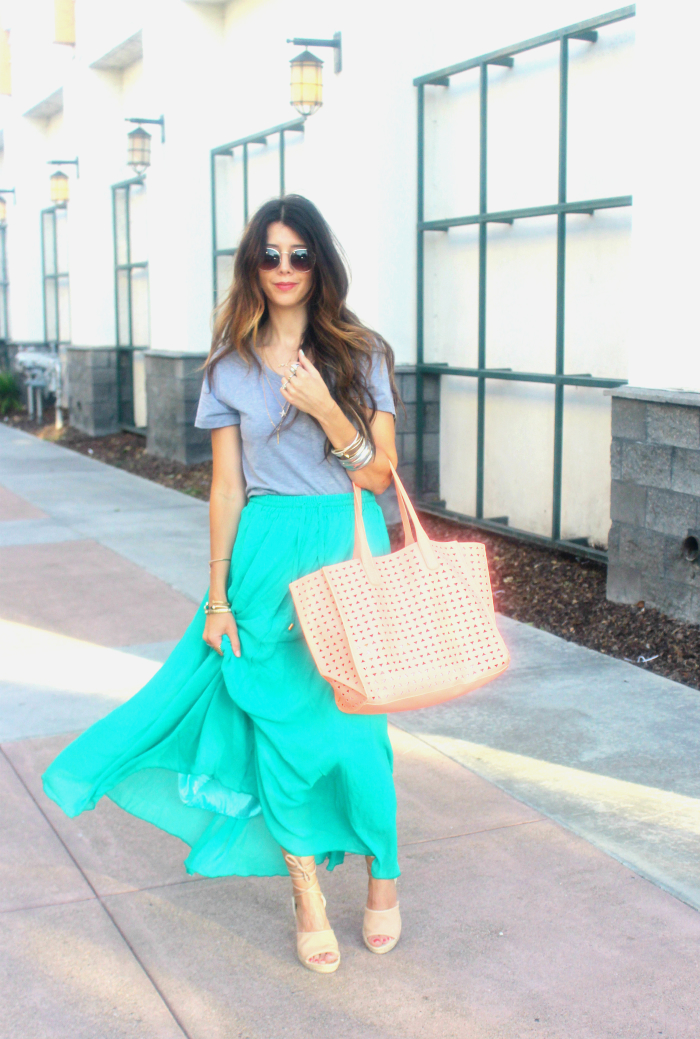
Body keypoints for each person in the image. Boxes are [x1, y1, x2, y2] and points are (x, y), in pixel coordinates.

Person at [42, 194, 402, 975]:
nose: (283, 269)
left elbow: (378, 474)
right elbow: (227, 489)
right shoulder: (229, 366)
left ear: (320, 263)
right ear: (250, 264)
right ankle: (306, 894)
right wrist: (216, 594)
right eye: (268, 255)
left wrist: (325, 410)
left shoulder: (361, 352)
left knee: (357, 732)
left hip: (346, 541)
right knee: (278, 731)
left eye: (298, 254)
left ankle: (385, 872)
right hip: (265, 554)